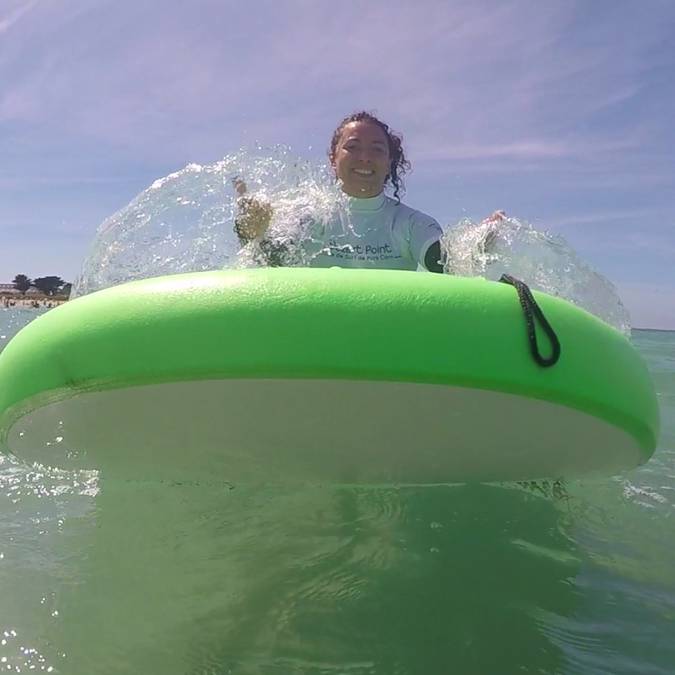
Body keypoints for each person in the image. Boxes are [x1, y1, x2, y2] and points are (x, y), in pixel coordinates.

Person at [234, 111, 503, 272]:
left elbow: (442, 263)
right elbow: (275, 263)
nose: (365, 157)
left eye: (377, 149)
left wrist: (476, 246)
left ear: (389, 163)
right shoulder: (307, 214)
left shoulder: (410, 223)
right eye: (352, 147)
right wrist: (251, 233)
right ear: (333, 158)